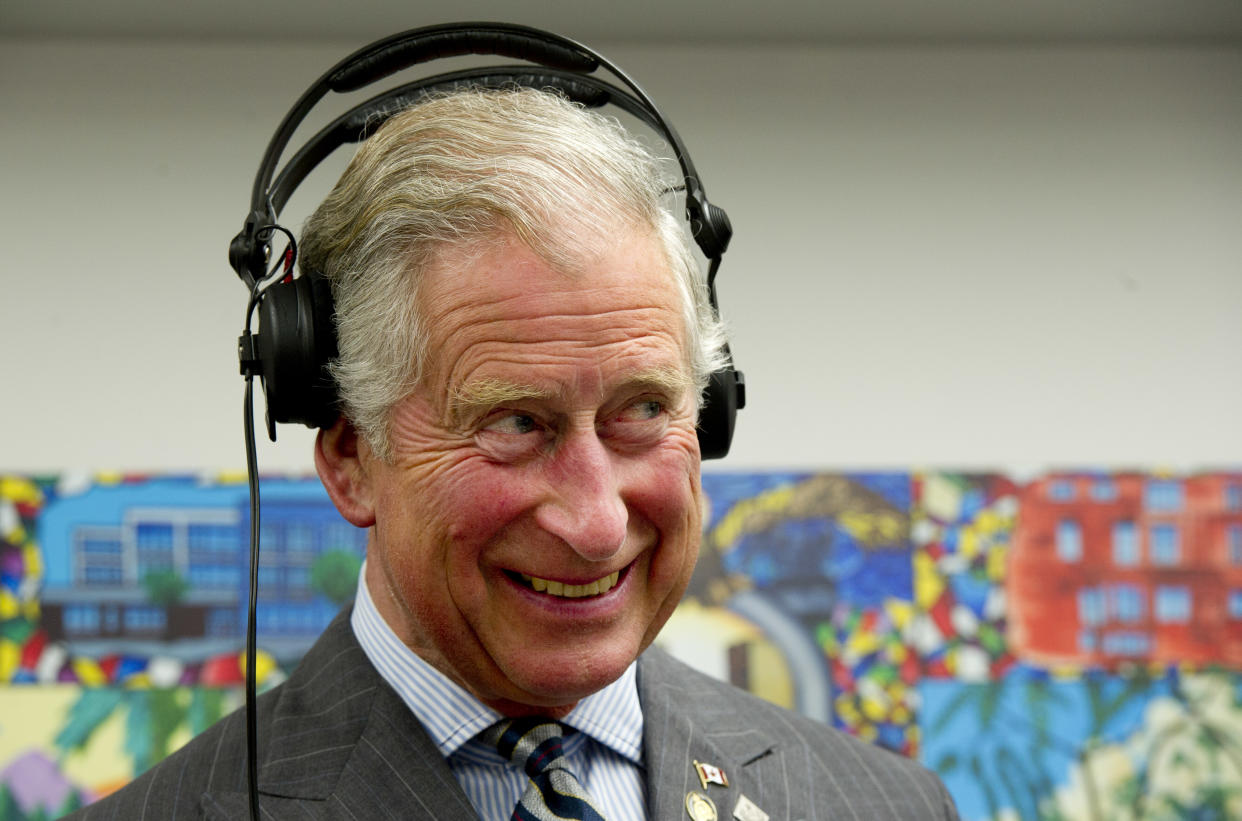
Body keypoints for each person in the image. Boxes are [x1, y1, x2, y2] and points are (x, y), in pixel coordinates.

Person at [71, 88, 958, 819]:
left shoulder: (888, 804)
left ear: (710, 413)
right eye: (515, 424)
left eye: (644, 408)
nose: (597, 522)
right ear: (349, 455)